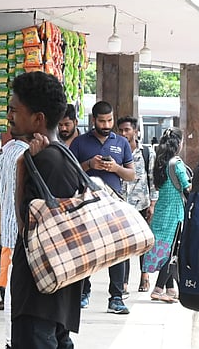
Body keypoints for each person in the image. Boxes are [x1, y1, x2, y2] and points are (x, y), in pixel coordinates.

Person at [7, 71, 83, 349]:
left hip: (37, 297)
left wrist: (24, 169)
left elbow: (26, 226)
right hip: (59, 298)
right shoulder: (65, 156)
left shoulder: (43, 162)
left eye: (15, 110)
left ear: (38, 119)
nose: (9, 117)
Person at [69, 100, 135, 314]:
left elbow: (132, 174)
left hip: (114, 204)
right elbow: (69, 173)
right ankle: (83, 293)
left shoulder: (122, 143)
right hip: (86, 204)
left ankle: (116, 297)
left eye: (109, 120)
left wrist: (115, 168)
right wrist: (89, 165)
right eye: (102, 121)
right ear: (93, 120)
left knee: (118, 251)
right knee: (85, 250)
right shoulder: (79, 143)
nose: (106, 125)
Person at [141, 128, 189, 303]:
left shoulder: (160, 162)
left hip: (162, 210)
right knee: (173, 252)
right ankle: (158, 289)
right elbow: (187, 187)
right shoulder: (177, 164)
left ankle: (170, 289)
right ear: (179, 143)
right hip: (175, 212)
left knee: (166, 248)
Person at [117, 116, 159, 293]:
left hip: (141, 203)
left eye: (127, 130)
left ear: (135, 131)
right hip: (121, 204)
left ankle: (144, 277)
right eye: (120, 130)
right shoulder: (116, 151)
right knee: (124, 245)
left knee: (143, 243)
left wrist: (152, 204)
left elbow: (152, 179)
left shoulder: (146, 152)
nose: (124, 133)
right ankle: (123, 282)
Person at [0, 134, 30, 349]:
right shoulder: (25, 154)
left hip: (7, 233)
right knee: (14, 292)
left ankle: (12, 341)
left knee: (10, 289)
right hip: (19, 233)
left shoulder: (6, 151)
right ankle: (12, 341)